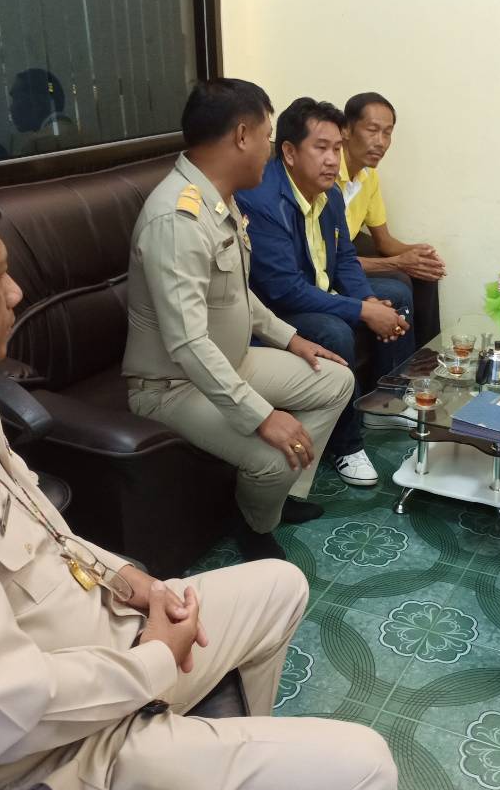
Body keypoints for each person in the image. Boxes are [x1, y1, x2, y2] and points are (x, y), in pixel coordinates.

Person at [0, 173, 397, 790]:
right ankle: (184, 778)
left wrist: (130, 580)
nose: (16, 293)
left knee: (279, 585)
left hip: (100, 654)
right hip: (42, 761)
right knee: (364, 771)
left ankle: (211, 786)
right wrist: (154, 660)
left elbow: (45, 532)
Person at [125, 79, 356, 561]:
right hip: (172, 386)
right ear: (242, 135)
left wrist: (291, 339)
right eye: (268, 136)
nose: (271, 149)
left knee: (335, 380)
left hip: (232, 361)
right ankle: (255, 524)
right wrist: (262, 416)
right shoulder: (178, 219)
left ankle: (280, 496)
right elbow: (188, 343)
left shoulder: (219, 197)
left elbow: (237, 294)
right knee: (275, 454)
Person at [237, 97, 415, 488]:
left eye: (336, 148)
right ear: (289, 152)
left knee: (396, 295)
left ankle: (387, 402)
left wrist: (368, 299)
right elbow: (284, 291)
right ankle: (346, 446)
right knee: (333, 329)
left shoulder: (329, 192)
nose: (333, 160)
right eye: (321, 148)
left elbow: (346, 257)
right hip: (273, 312)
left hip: (315, 289)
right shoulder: (263, 201)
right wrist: (363, 312)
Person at [338, 92, 445, 347]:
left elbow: (384, 241)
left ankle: (428, 359)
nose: (381, 142)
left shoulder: (369, 176)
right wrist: (399, 263)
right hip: (331, 265)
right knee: (399, 282)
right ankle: (400, 368)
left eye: (387, 133)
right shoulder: (325, 171)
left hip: (345, 258)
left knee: (425, 275)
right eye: (372, 130)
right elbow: (328, 260)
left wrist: (418, 254)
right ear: (346, 130)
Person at [8, 68, 81, 156]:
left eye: (15, 98)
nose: (10, 108)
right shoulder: (83, 135)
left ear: (36, 101)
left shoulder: (36, 145)